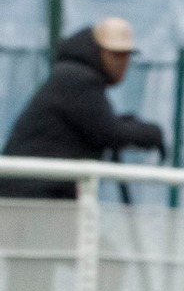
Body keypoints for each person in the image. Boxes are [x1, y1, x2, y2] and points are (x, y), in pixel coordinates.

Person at [1, 18, 165, 200]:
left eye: (127, 56)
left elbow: (100, 125)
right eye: (115, 55)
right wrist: (152, 133)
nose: (122, 64)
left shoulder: (73, 76)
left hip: (39, 195)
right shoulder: (76, 79)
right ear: (98, 52)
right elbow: (108, 132)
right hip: (32, 199)